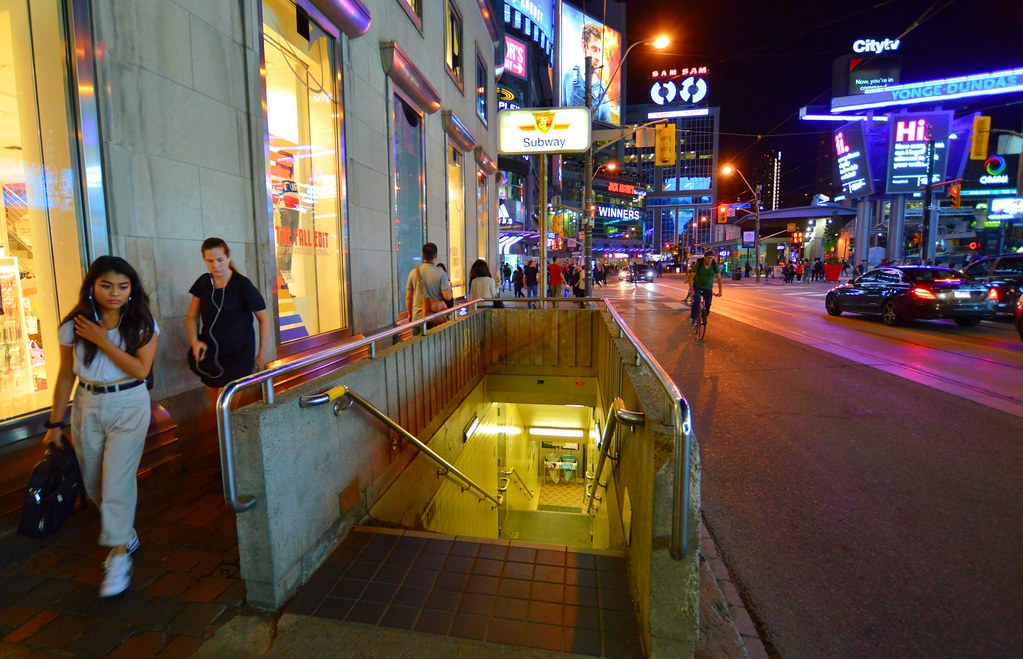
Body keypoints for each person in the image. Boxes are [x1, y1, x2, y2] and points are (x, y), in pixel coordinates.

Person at [43, 256, 158, 597]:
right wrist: (54, 422)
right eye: (106, 285)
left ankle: (119, 555)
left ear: (131, 289)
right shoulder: (73, 326)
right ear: (92, 286)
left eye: (123, 287)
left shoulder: (141, 323)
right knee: (94, 482)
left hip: (129, 403)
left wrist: (103, 339)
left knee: (117, 480)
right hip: (87, 404)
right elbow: (66, 375)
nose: (115, 293)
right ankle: (125, 531)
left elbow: (140, 370)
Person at [186, 238, 270, 393]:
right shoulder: (203, 283)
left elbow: (263, 319)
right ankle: (216, 418)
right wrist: (194, 341)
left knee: (228, 397)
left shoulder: (242, 285)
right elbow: (192, 317)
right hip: (211, 350)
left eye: (220, 260)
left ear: (228, 257)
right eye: (209, 261)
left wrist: (261, 354)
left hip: (239, 353)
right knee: (214, 398)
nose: (215, 266)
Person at [562, 22, 611, 122]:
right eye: (594, 49)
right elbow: (562, 112)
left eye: (599, 51)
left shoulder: (603, 95)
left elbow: (609, 133)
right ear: (584, 46)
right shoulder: (568, 77)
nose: (597, 57)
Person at [405, 242, 452, 324]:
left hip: (417, 319)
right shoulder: (441, 274)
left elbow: (408, 297)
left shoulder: (413, 273)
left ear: (422, 255)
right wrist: (450, 288)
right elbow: (447, 297)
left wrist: (409, 314)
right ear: (436, 256)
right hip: (436, 317)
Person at [687, 250, 723, 326]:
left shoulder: (714, 265)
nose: (709, 260)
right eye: (708, 258)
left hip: (708, 286)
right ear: (704, 258)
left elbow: (719, 278)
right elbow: (691, 277)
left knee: (708, 303)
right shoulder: (699, 264)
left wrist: (720, 291)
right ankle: (693, 318)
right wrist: (691, 289)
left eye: (711, 258)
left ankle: (704, 316)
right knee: (696, 301)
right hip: (697, 285)